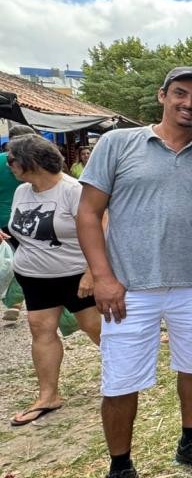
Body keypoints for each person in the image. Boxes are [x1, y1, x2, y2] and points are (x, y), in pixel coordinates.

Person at [77, 66, 192, 478]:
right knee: (120, 380)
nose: (189, 104)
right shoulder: (118, 144)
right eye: (180, 94)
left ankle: (190, 441)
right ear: (162, 95)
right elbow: (89, 213)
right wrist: (102, 276)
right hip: (130, 288)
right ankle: (121, 468)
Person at [4, 135, 101, 425]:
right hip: (35, 278)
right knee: (40, 330)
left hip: (74, 275)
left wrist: (92, 271)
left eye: (12, 160)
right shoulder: (23, 191)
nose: (9, 165)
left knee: (94, 328)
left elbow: (102, 228)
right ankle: (48, 395)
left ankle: (127, 377)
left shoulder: (73, 191)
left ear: (30, 162)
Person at [0, 123, 38, 322]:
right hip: (34, 220)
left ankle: (15, 302)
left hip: (3, 221)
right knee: (27, 259)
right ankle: (17, 301)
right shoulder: (37, 162)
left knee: (12, 259)